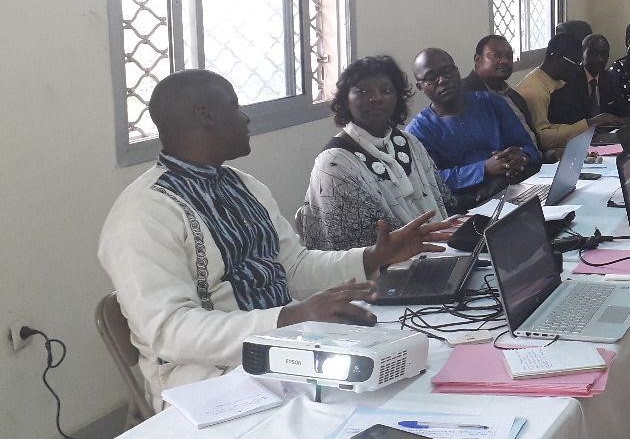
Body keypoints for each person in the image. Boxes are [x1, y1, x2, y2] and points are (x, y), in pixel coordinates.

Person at [98, 70, 458, 408]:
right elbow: (169, 331)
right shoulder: (143, 214)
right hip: (208, 379)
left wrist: (374, 257)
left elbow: (294, 268)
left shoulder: (243, 186)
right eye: (235, 107)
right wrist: (288, 317)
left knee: (417, 364)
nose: (245, 118)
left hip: (289, 349)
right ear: (205, 115)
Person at [300, 56, 459, 251]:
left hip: (439, 250)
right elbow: (358, 244)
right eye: (363, 91)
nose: (376, 98)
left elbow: (446, 202)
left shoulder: (410, 142)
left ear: (397, 98)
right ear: (345, 100)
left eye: (386, 91)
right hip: (383, 264)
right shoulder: (334, 163)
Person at [407, 48, 540, 206]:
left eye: (447, 71)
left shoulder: (491, 102)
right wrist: (483, 169)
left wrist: (522, 157)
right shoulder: (417, 131)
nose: (442, 80)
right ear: (420, 87)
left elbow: (528, 146)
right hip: (468, 206)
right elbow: (430, 181)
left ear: (457, 71)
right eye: (431, 77)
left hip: (518, 188)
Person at [516, 33, 616, 159]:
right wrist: (589, 124)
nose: (578, 68)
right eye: (575, 63)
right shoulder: (535, 90)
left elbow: (558, 124)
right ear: (555, 56)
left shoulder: (557, 81)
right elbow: (541, 138)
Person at [462, 35, 537, 138]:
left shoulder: (515, 97)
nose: (505, 61)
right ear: (478, 59)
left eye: (509, 56)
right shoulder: (463, 95)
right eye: (496, 55)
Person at [580, 33, 628, 117]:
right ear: (581, 54)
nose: (599, 59)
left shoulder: (611, 80)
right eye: (594, 53)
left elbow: (621, 111)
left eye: (603, 54)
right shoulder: (570, 80)